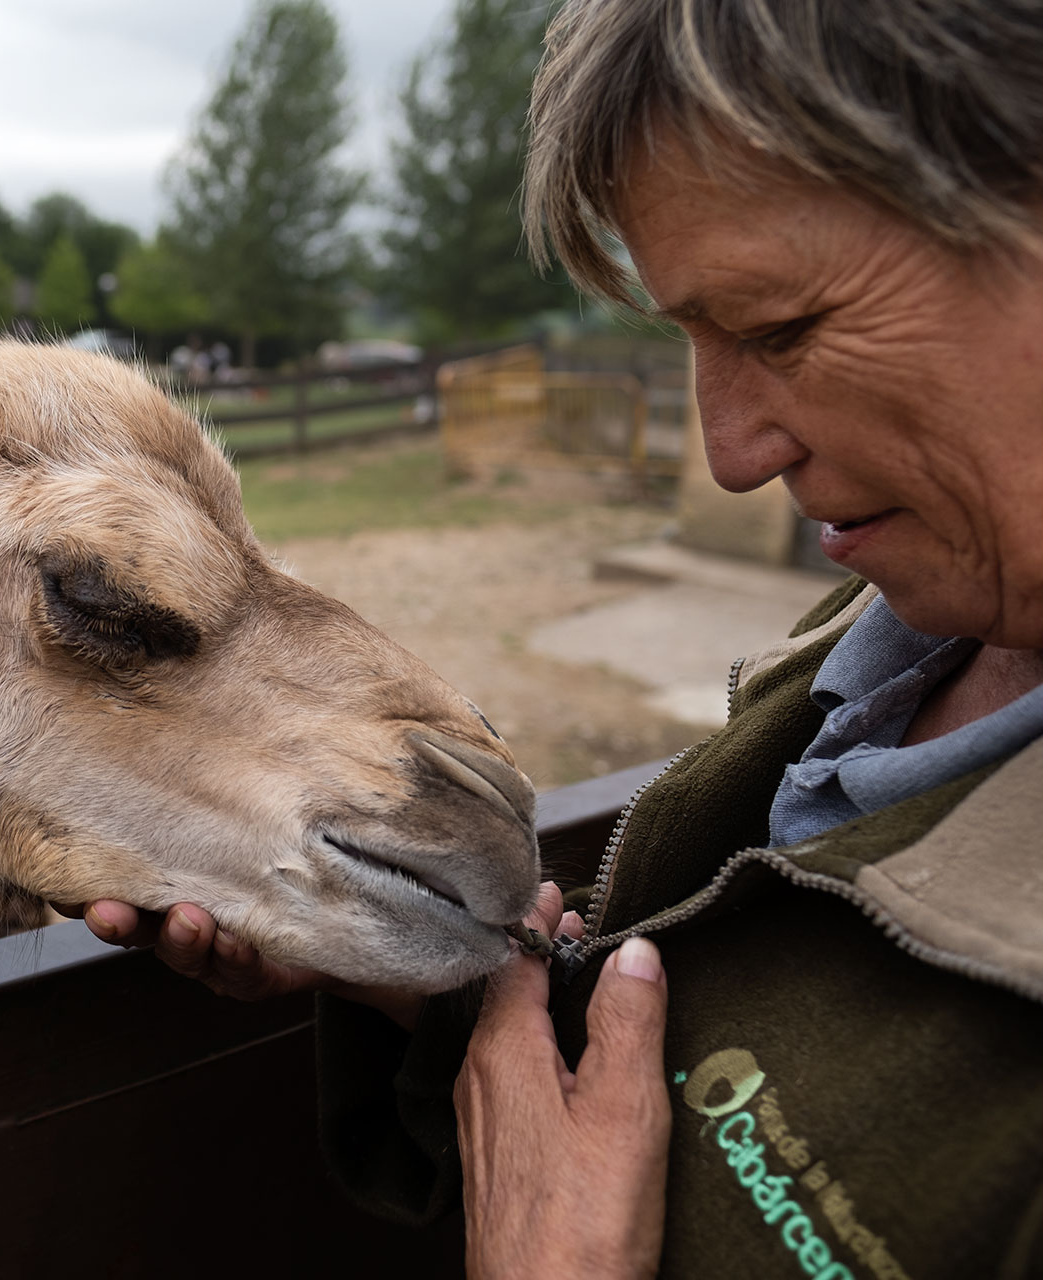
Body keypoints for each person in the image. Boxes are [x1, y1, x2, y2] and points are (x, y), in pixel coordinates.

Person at [80, 1, 1043, 1274]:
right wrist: (409, 973)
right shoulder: (909, 625)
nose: (733, 452)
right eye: (690, 338)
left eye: (780, 329)